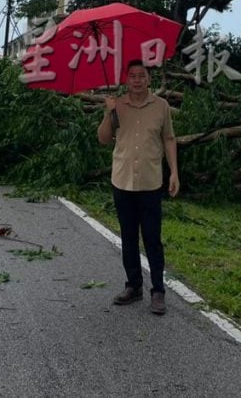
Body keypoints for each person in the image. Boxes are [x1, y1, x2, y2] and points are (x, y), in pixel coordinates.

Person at [97, 59, 179, 315]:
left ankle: (158, 291)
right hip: (122, 181)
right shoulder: (117, 105)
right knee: (128, 237)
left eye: (141, 75)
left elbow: (168, 138)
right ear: (126, 79)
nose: (136, 80)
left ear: (148, 79)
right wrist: (108, 112)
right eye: (132, 76)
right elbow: (103, 139)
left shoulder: (161, 106)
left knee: (152, 239)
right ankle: (133, 286)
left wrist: (174, 172)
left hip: (151, 181)